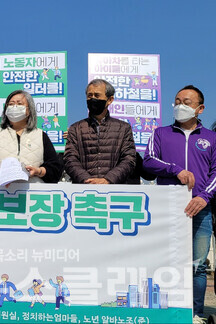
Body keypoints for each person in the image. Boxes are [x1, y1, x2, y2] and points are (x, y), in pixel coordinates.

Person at [143, 85, 216, 321]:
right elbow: (149, 162)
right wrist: (175, 170)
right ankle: (165, 312)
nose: (179, 106)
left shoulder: (211, 138)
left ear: (200, 108)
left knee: (197, 265)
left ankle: (195, 313)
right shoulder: (160, 133)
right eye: (176, 101)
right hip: (168, 209)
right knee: (165, 262)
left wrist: (203, 197)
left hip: (201, 211)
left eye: (186, 102)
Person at [0, 90, 63, 183]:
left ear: (29, 110)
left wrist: (38, 171)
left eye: (19, 103)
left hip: (33, 193)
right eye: (11, 104)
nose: (14, 107)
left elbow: (55, 169)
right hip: (2, 192)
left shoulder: (40, 135)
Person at [63, 79, 136, 184]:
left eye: (97, 96)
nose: (93, 99)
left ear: (110, 100)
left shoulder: (123, 128)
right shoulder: (76, 128)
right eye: (89, 96)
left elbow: (129, 159)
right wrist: (87, 180)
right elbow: (70, 159)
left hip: (114, 191)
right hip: (83, 191)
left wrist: (108, 180)